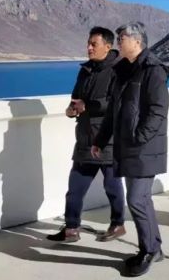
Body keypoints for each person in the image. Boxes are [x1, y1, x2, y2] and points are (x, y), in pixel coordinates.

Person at [93, 22, 169, 277]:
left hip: (144, 147)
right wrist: (101, 140)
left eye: (122, 38)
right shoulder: (123, 71)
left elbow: (158, 109)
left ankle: (148, 250)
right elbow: (113, 112)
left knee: (136, 199)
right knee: (142, 200)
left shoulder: (153, 70)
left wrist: (140, 137)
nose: (118, 42)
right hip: (128, 146)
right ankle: (154, 248)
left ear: (137, 41)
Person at [47, 27, 125, 243]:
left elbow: (116, 103)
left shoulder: (118, 70)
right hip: (84, 138)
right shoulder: (85, 70)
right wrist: (71, 109)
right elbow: (76, 97)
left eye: (94, 44)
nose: (89, 48)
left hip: (108, 139)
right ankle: (71, 229)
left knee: (112, 187)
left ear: (108, 47)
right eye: (88, 43)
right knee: (75, 189)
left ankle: (118, 224)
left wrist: (87, 106)